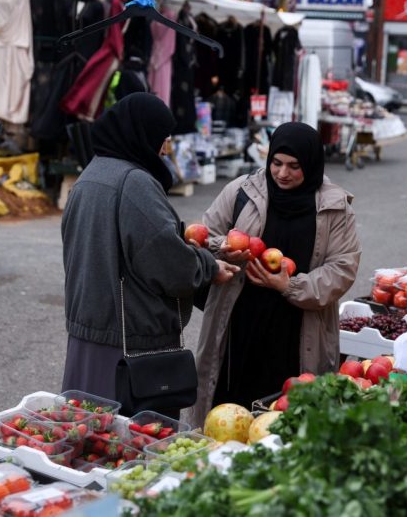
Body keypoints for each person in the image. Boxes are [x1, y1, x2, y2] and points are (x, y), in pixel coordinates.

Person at [61, 93, 239, 413]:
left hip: (87, 337)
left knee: (87, 440)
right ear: (142, 135)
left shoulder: (89, 177)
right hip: (129, 347)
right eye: (163, 140)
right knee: (133, 446)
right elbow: (168, 263)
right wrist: (208, 267)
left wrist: (205, 249)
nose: (164, 150)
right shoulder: (135, 183)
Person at [185, 122, 361, 425]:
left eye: (294, 166)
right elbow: (206, 235)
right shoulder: (241, 191)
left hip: (297, 327)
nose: (282, 173)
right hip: (239, 322)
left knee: (284, 413)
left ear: (311, 164)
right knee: (229, 408)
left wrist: (290, 285)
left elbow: (342, 268)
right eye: (276, 163)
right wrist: (224, 250)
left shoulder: (335, 208)